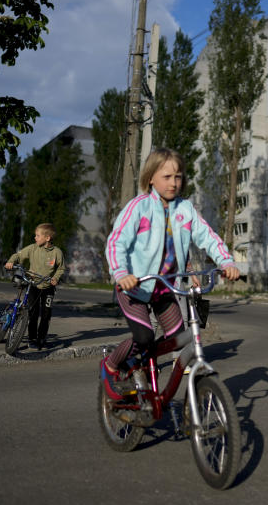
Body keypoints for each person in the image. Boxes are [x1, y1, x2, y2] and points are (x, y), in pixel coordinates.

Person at [102, 148, 239, 394]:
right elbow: (116, 242)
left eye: (177, 177)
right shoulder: (139, 207)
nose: (173, 182)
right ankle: (112, 364)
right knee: (143, 337)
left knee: (179, 339)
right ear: (151, 177)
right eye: (166, 177)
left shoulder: (185, 209)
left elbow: (207, 236)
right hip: (134, 286)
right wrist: (121, 273)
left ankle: (150, 374)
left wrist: (226, 262)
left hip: (165, 288)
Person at [4, 223, 64, 350]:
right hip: (33, 285)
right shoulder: (32, 248)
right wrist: (11, 261)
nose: (35, 238)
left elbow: (61, 268)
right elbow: (18, 255)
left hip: (48, 287)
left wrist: (55, 278)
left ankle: (41, 338)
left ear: (47, 238)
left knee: (46, 313)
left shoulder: (57, 252)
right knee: (33, 312)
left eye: (37, 235)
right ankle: (32, 339)